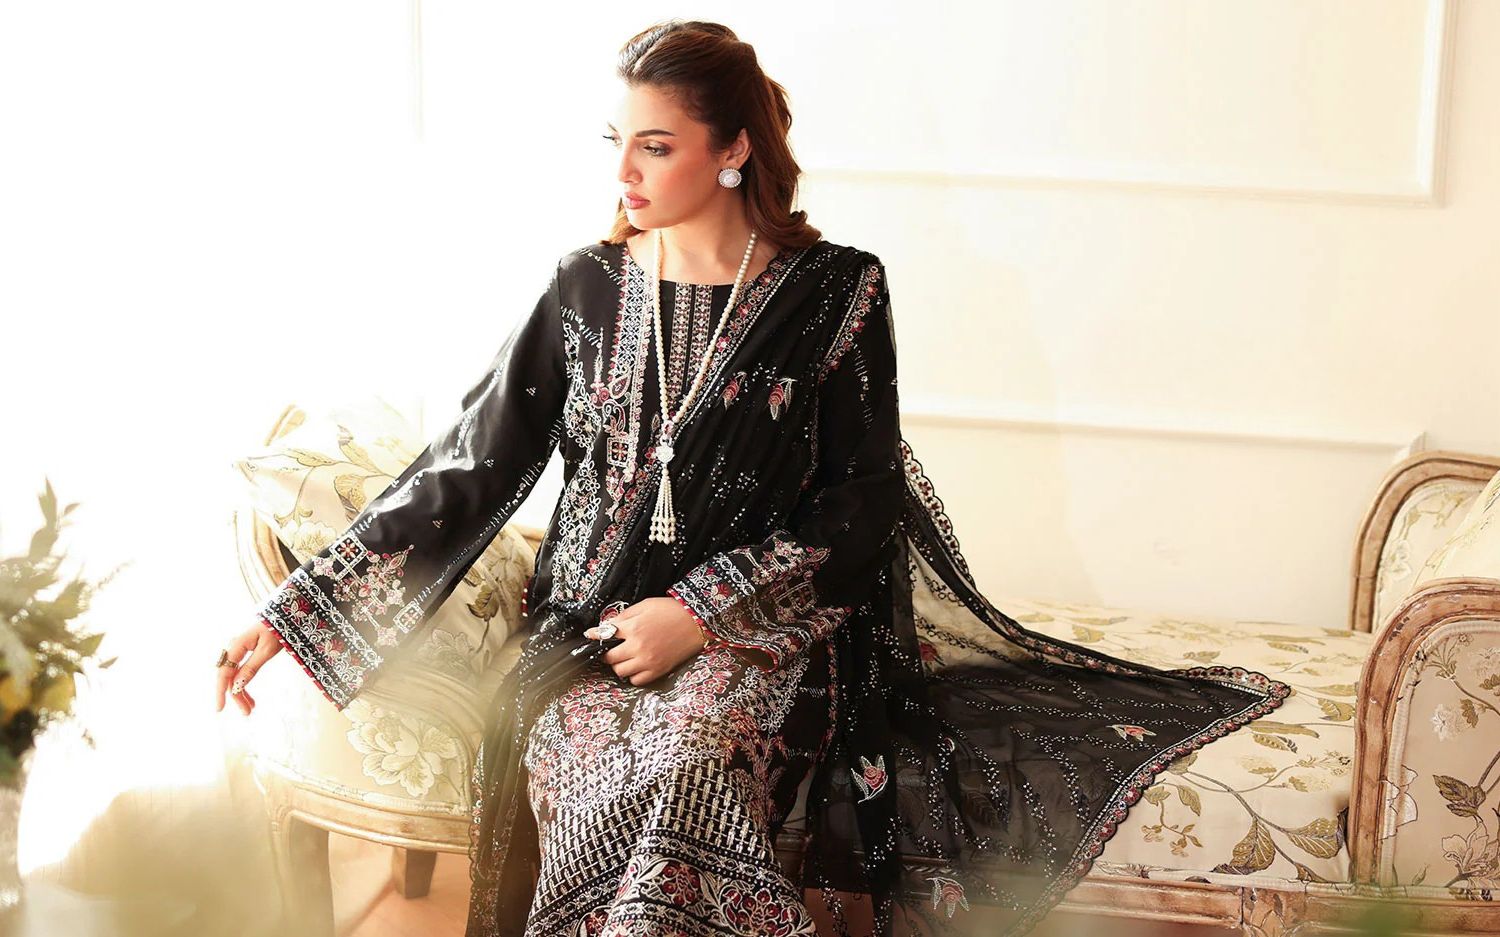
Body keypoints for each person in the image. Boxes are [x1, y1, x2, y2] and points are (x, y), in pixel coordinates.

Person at [214, 19, 1291, 937]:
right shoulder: (584, 288)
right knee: (594, 761)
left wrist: (701, 612)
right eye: (617, 144)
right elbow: (471, 460)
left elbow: (862, 500)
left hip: (766, 628)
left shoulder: (838, 292)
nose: (625, 174)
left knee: (690, 760)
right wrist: (299, 604)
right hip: (589, 635)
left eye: (655, 146)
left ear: (733, 149)